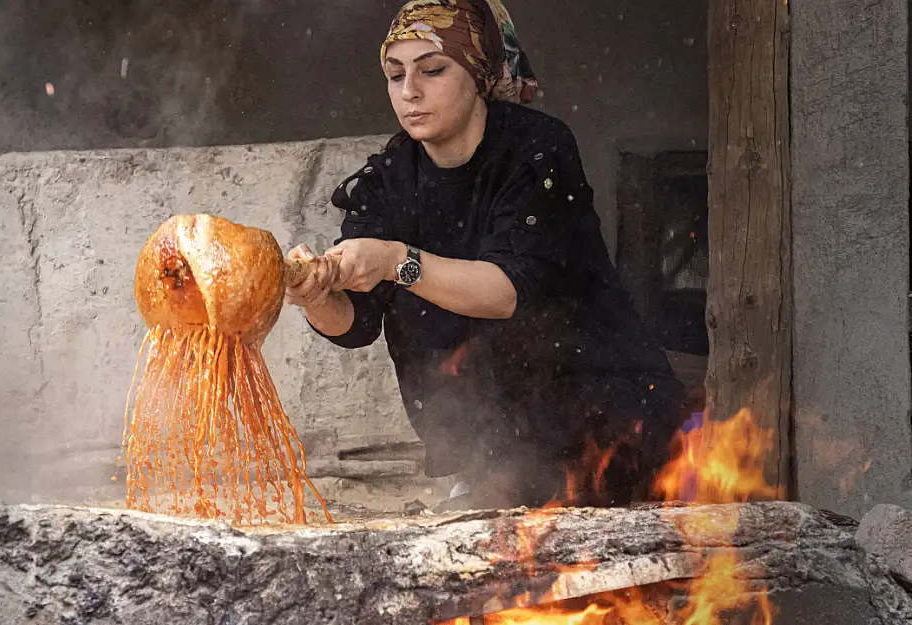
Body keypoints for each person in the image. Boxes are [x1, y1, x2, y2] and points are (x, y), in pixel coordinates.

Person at [285, 0, 686, 511]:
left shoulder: (536, 150)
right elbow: (355, 323)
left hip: (606, 432)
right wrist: (317, 294)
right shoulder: (389, 176)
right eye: (394, 74)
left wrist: (395, 261)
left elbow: (507, 292)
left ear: (478, 76)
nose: (409, 90)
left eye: (432, 70)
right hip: (488, 452)